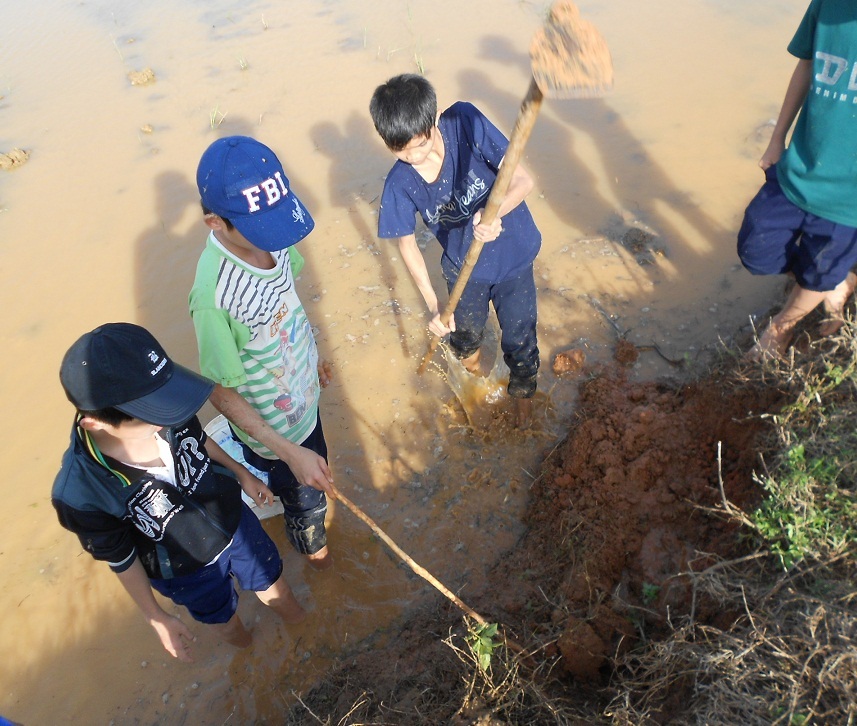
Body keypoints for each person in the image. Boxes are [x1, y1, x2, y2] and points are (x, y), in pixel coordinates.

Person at [52, 323, 306, 663]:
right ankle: (255, 657)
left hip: (233, 521)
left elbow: (199, 441)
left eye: (170, 398)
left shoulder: (168, 402)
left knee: (276, 587)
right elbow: (122, 558)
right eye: (154, 414)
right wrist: (156, 616)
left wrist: (242, 473)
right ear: (95, 424)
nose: (173, 413)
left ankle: (307, 635)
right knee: (226, 624)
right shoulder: (81, 493)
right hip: (184, 569)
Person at [190, 135, 334, 570]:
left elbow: (288, 300)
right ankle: (321, 563)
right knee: (308, 509)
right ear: (215, 223)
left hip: (303, 398)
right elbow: (218, 391)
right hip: (275, 434)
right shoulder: (215, 299)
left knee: (316, 468)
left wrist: (310, 359)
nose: (273, 239)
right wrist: (288, 452)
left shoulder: (275, 236)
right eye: (260, 230)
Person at [369, 74, 541, 425]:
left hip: (512, 258)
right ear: (388, 144)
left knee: (521, 342)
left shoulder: (466, 121)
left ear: (433, 122)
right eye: (401, 150)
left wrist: (495, 212)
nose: (414, 157)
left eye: (421, 144)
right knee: (464, 340)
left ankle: (524, 415)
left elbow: (524, 180)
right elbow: (407, 245)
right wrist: (434, 306)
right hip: (464, 270)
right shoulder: (399, 183)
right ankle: (477, 385)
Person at [737, 0, 857, 359]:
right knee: (755, 249)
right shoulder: (830, 4)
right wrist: (777, 139)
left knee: (819, 271)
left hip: (849, 198)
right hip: (801, 166)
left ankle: (782, 328)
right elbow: (806, 65)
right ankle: (833, 280)